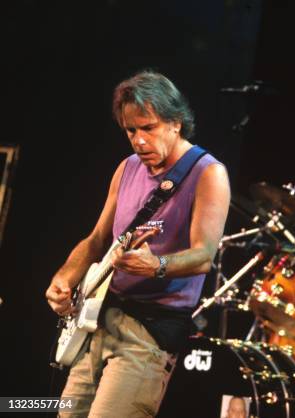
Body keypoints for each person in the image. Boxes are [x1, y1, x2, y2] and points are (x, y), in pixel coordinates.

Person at [45, 71, 230, 417]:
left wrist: (157, 266)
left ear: (176, 123)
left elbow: (205, 255)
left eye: (149, 128)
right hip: (98, 321)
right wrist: (65, 278)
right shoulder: (127, 168)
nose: (139, 140)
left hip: (147, 335)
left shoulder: (208, 173)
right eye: (131, 131)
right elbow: (98, 239)